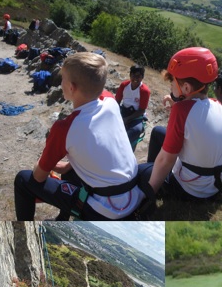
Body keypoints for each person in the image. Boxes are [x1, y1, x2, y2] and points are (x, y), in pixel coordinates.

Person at [15, 53, 152, 221]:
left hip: (106, 210)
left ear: (72, 87)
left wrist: (41, 162)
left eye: (62, 78)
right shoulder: (110, 102)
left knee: (23, 179)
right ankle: (62, 218)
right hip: (132, 195)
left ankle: (24, 228)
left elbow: (38, 177)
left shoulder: (65, 128)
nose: (60, 82)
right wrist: (68, 166)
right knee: (70, 173)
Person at [146, 47, 222, 201]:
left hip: (193, 189)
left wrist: (149, 193)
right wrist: (176, 105)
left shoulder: (182, 110)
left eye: (172, 82)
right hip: (218, 182)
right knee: (158, 132)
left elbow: (165, 160)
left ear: (186, 88)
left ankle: (158, 188)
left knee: (143, 172)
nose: (170, 87)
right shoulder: (216, 104)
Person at [115, 64, 150, 148]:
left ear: (142, 77)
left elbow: (141, 110)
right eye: (133, 76)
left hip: (136, 114)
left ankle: (123, 147)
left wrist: (127, 119)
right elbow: (117, 101)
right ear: (130, 75)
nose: (135, 79)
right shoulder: (124, 85)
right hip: (124, 109)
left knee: (136, 130)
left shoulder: (144, 91)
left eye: (138, 76)